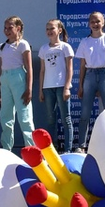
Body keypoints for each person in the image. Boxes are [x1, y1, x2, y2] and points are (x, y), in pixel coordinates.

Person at [76, 11, 105, 149]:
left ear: (103, 23)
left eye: (98, 21)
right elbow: (82, 65)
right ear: (89, 24)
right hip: (89, 75)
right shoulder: (84, 42)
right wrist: (80, 85)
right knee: (85, 113)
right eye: (93, 22)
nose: (95, 24)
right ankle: (82, 145)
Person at [0, 16, 35, 152]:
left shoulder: (23, 44)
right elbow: (1, 69)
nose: (7, 31)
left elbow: (29, 67)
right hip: (5, 79)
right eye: (5, 28)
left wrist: (29, 89)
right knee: (6, 116)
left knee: (24, 116)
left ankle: (31, 149)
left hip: (18, 77)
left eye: (10, 28)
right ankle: (6, 148)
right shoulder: (2, 46)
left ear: (18, 28)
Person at [39, 19, 76, 153]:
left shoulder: (65, 47)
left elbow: (69, 68)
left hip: (61, 86)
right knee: (50, 119)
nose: (49, 31)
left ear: (59, 30)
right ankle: (51, 149)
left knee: (66, 119)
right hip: (48, 88)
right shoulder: (44, 48)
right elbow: (42, 70)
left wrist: (67, 87)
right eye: (47, 29)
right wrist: (41, 90)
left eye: (52, 28)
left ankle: (68, 149)